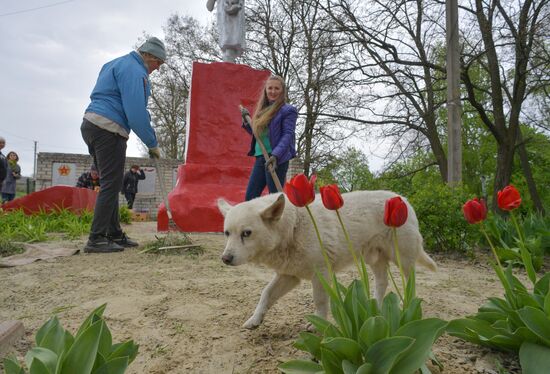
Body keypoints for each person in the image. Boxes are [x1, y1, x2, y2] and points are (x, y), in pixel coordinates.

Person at [80, 36, 164, 253]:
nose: (157, 69)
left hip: (91, 124)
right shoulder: (136, 72)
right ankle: (96, 238)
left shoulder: (114, 64)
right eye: (159, 64)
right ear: (150, 56)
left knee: (111, 182)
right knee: (111, 184)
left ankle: (113, 233)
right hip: (109, 128)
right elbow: (135, 113)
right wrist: (152, 143)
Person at [241, 75, 297, 201]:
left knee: (275, 199)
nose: (273, 91)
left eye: (276, 88)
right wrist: (246, 122)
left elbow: (288, 134)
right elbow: (258, 134)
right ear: (265, 90)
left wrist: (275, 155)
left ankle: (281, 221)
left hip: (276, 159)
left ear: (282, 91)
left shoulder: (288, 110)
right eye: (270, 88)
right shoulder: (262, 110)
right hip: (261, 157)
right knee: (250, 197)